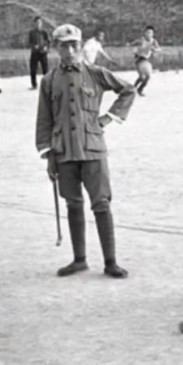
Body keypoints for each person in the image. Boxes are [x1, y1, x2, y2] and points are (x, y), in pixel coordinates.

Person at [35, 24, 137, 278]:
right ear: (55, 48)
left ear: (80, 46)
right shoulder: (48, 81)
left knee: (101, 203)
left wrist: (108, 117)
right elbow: (44, 119)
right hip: (63, 151)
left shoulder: (95, 73)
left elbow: (128, 89)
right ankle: (79, 260)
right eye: (63, 46)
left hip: (93, 149)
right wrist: (48, 154)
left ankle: (110, 262)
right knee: (72, 203)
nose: (69, 51)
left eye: (74, 45)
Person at [129, 25, 161, 96]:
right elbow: (131, 44)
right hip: (139, 59)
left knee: (148, 77)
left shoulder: (153, 41)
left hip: (146, 60)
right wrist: (133, 48)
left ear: (153, 34)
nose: (149, 34)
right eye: (147, 32)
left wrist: (154, 49)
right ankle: (133, 89)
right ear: (145, 33)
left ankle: (139, 89)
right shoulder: (141, 40)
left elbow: (159, 49)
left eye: (151, 33)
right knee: (142, 76)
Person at [28, 15, 51, 90]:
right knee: (33, 69)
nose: (38, 24)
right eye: (37, 22)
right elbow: (30, 42)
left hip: (43, 52)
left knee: (45, 69)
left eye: (40, 22)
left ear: (42, 23)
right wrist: (34, 46)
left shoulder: (44, 32)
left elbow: (48, 41)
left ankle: (46, 85)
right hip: (35, 53)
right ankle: (34, 85)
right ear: (34, 23)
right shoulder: (31, 33)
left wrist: (46, 48)